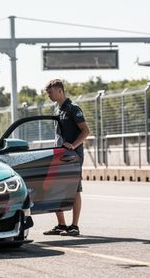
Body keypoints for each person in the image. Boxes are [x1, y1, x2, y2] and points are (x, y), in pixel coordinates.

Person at [43, 79, 90, 237]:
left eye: (50, 92)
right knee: (55, 187)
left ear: (60, 91)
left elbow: (85, 131)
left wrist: (74, 145)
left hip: (73, 156)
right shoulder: (57, 109)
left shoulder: (73, 108)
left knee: (75, 189)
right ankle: (61, 224)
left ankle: (74, 226)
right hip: (59, 154)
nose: (49, 95)